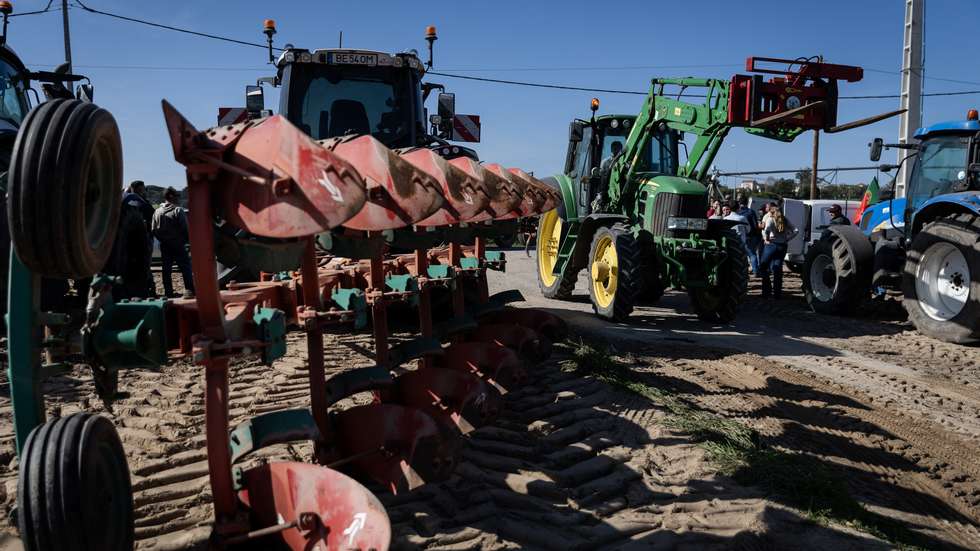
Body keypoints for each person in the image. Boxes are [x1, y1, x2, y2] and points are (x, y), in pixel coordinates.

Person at [152, 187, 195, 298]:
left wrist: (163, 240)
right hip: (178, 244)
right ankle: (189, 290)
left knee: (166, 269)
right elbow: (185, 228)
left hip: (165, 245)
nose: (179, 198)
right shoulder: (178, 210)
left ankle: (168, 292)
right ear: (171, 196)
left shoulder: (157, 211)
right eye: (177, 196)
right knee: (185, 267)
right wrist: (186, 241)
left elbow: (153, 230)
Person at [119, 180, 155, 297]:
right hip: (140, 242)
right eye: (143, 189)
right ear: (139, 189)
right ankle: (147, 289)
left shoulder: (125, 200)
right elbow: (151, 215)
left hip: (127, 244)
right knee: (144, 265)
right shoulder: (137, 201)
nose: (145, 191)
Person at [759, 206, 798, 299]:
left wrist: (766, 239)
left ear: (772, 213)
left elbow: (766, 230)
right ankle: (777, 293)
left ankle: (766, 291)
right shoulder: (785, 220)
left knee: (763, 267)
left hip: (771, 245)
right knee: (777, 269)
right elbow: (796, 230)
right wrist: (787, 239)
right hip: (782, 246)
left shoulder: (770, 219)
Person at [737, 198, 761, 273]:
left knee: (742, 254)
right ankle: (755, 271)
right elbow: (755, 225)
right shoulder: (751, 212)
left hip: (740, 235)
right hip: (752, 235)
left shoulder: (737, 212)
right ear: (747, 203)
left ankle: (744, 270)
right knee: (752, 254)